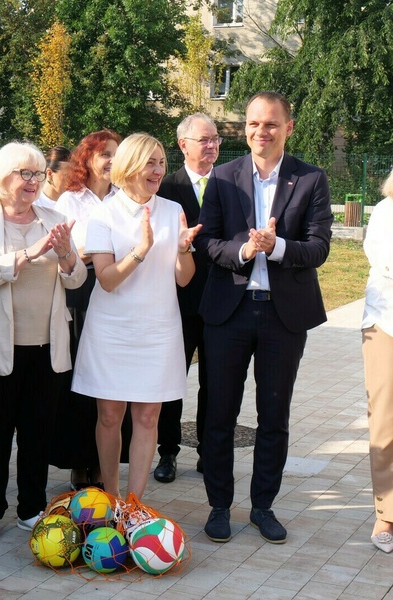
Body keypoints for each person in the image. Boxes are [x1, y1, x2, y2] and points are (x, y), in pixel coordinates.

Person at [195, 91, 332, 545]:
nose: (261, 131)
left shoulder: (310, 179)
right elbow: (207, 243)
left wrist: (278, 248)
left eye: (271, 123)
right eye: (253, 123)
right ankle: (219, 506)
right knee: (219, 414)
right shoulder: (223, 177)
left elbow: (319, 247)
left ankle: (262, 507)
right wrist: (244, 251)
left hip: (282, 315)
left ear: (288, 127)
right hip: (228, 313)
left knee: (274, 415)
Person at [0, 141, 86, 543]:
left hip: (46, 346)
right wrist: (30, 253)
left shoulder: (55, 218)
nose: (33, 181)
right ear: (3, 177)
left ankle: (31, 508)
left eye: (37, 173)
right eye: (24, 173)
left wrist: (66, 256)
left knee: (38, 433)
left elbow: (77, 279)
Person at [72, 133, 201, 498]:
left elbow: (184, 278)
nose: (158, 171)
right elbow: (107, 280)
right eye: (150, 163)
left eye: (161, 163)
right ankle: (112, 496)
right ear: (129, 167)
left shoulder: (172, 211)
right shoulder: (104, 213)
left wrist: (183, 251)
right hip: (111, 331)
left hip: (158, 330)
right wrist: (141, 250)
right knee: (110, 416)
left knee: (147, 417)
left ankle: (133, 505)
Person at [52, 129, 123, 490]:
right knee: (80, 380)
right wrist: (93, 250)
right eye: (104, 154)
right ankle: (78, 461)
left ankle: (102, 463)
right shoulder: (70, 200)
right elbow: (62, 251)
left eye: (116, 154)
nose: (111, 160)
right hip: (80, 290)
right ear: (88, 159)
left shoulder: (124, 198)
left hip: (116, 290)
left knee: (109, 381)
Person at [154, 113, 220, 483]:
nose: (211, 146)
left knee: (216, 381)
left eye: (215, 139)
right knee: (171, 380)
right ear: (183, 145)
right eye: (203, 140)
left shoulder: (230, 184)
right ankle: (167, 451)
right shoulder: (165, 188)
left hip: (221, 302)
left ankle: (209, 452)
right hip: (176, 300)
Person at [361, 169, 393, 553]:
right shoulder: (386, 211)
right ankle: (387, 512)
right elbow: (386, 261)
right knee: (385, 421)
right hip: (386, 324)